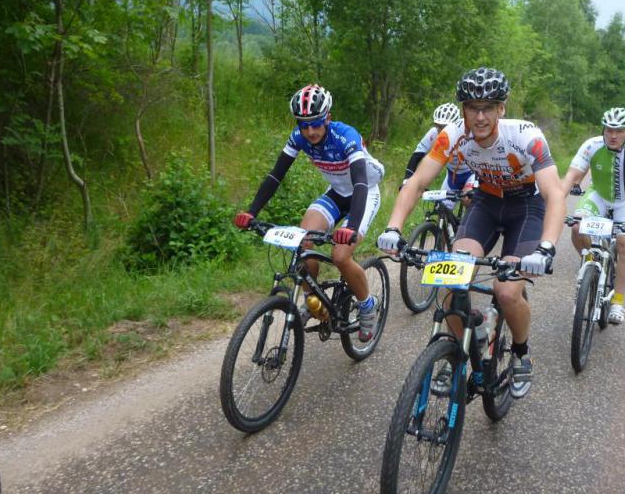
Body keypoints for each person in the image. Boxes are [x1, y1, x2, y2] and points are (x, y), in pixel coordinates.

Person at [377, 67, 565, 398]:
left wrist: (547, 247)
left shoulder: (526, 136)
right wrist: (393, 227)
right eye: (472, 108)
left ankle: (521, 353)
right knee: (449, 278)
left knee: (506, 291)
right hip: (486, 204)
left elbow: (554, 195)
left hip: (528, 209)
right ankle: (459, 350)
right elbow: (418, 182)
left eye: (488, 107)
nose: (480, 117)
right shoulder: (451, 135)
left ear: (501, 109)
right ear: (462, 109)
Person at [234, 84, 385, 341]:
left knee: (340, 255)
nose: (310, 131)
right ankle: (314, 300)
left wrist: (351, 226)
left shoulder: (346, 136)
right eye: (304, 125)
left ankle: (367, 305)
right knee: (303, 243)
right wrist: (251, 211)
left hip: (364, 192)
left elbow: (359, 182)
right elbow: (275, 175)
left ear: (327, 117)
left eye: (315, 123)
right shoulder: (299, 136)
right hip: (337, 191)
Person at [560, 107, 625, 324]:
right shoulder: (591, 145)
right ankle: (589, 263)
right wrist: (555, 204)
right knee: (577, 227)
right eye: (609, 130)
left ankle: (618, 302)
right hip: (598, 196)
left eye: (619, 131)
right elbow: (570, 177)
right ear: (603, 129)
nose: (613, 135)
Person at [401, 102, 476, 209]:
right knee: (441, 211)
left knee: (467, 200)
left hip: (470, 174)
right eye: (438, 126)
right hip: (452, 177)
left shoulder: (467, 132)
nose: (441, 131)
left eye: (445, 127)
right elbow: (417, 155)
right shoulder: (433, 134)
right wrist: (406, 180)